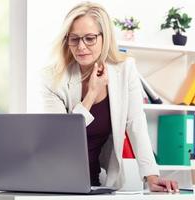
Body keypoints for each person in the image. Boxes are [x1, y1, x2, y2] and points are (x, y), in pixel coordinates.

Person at [43, 1, 179, 192]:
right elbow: (62, 139)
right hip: (54, 181)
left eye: (89, 38)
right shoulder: (53, 78)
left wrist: (152, 176)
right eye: (74, 39)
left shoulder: (125, 69)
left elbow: (135, 124)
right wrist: (91, 94)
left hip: (93, 183)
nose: (81, 47)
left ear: (104, 37)